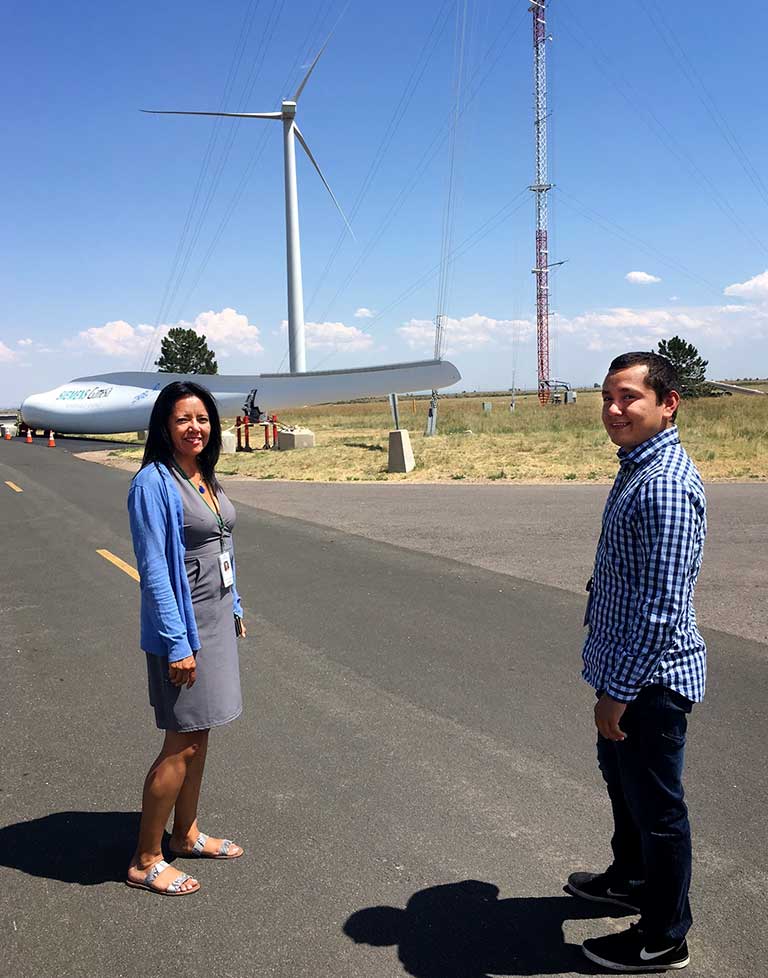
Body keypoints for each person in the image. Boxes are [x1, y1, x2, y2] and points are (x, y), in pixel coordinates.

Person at [566, 352, 706, 972]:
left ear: (667, 402)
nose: (614, 410)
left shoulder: (667, 485)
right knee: (624, 790)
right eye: (607, 397)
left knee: (659, 810)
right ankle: (629, 878)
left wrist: (616, 693)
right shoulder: (637, 466)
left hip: (649, 680)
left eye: (629, 398)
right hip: (621, 667)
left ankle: (664, 934)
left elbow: (662, 610)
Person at [126, 381, 246, 896]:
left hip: (216, 620)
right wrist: (178, 643)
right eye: (182, 419)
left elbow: (220, 541)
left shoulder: (202, 475)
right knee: (181, 743)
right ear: (163, 426)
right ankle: (145, 858)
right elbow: (155, 570)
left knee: (201, 736)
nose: (195, 427)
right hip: (186, 627)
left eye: (202, 419)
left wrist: (235, 602)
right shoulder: (153, 482)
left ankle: (186, 833)